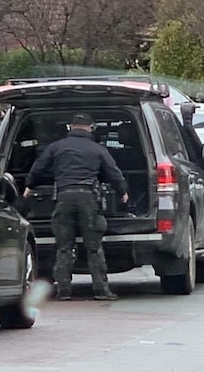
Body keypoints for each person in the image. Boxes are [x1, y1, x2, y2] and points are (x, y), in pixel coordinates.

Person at [23, 112, 128, 301]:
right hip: (88, 198)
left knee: (64, 247)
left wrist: (29, 185)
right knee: (94, 247)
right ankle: (101, 290)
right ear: (90, 128)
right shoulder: (98, 149)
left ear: (70, 127)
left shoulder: (56, 147)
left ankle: (64, 291)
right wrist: (123, 191)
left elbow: (39, 168)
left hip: (64, 197)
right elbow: (113, 172)